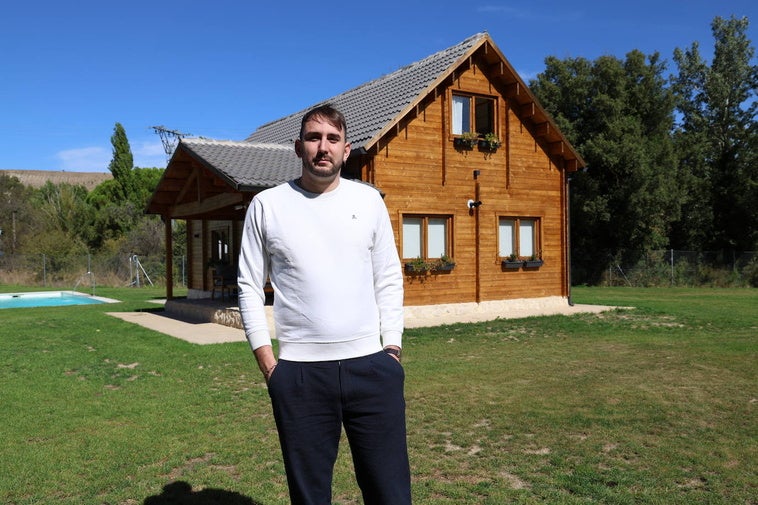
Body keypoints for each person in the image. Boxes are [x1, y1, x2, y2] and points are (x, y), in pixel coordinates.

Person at [237, 104, 412, 505]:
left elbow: (388, 277)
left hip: (372, 368)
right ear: (298, 147)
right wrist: (269, 364)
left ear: (346, 150)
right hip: (299, 376)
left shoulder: (368, 201)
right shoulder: (267, 205)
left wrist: (392, 350)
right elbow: (248, 286)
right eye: (314, 138)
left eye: (332, 139)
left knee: (391, 494)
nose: (323, 148)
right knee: (310, 497)